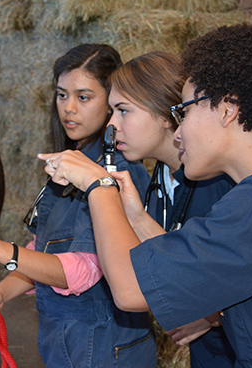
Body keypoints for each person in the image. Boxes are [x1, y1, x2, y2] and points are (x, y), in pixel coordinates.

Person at [40, 23, 252, 367]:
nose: (180, 130)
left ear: (227, 109)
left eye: (185, 111)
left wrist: (97, 185)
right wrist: (133, 213)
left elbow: (130, 290)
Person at [0, 44, 157, 367]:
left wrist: (1, 250)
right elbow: (44, 253)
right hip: (69, 345)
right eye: (61, 95)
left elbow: (82, 270)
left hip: (104, 350)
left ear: (111, 102)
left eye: (83, 97)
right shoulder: (70, 165)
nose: (68, 108)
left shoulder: (119, 175)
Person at [100, 51, 237, 367]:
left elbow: (229, 284)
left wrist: (212, 315)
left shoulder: (219, 185)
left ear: (166, 114)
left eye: (123, 111)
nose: (111, 125)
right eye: (111, 112)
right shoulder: (160, 174)